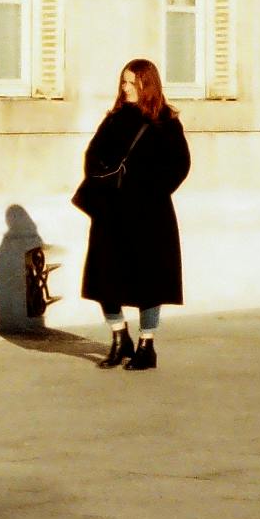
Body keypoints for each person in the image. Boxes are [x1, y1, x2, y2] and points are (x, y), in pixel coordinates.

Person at [79, 58, 190, 371]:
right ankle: (119, 338)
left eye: (132, 82)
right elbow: (92, 155)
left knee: (149, 281)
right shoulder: (115, 118)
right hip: (112, 212)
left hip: (149, 214)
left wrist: (149, 189)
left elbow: (179, 165)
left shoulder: (166, 121)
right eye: (123, 82)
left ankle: (147, 345)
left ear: (147, 84)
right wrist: (103, 184)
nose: (126, 88)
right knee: (104, 278)